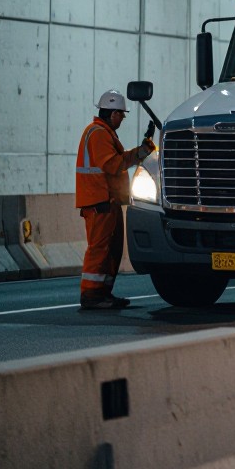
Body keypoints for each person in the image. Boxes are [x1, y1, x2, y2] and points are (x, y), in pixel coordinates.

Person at [74, 89, 154, 310]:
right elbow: (113, 165)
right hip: (100, 201)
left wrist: (142, 151)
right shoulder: (98, 133)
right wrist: (139, 153)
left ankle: (103, 293)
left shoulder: (105, 133)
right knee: (100, 248)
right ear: (113, 113)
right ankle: (91, 294)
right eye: (122, 114)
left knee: (112, 250)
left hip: (108, 201)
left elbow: (117, 160)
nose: (123, 119)